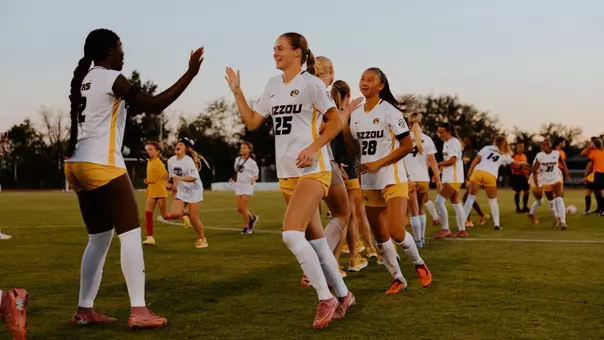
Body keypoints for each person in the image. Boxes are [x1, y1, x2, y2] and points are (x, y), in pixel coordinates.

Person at [64, 28, 203, 328]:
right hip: (102, 164)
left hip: (75, 165)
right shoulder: (108, 77)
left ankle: (84, 310)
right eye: (121, 47)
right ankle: (139, 310)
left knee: (99, 239)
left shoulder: (84, 79)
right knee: (130, 234)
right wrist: (190, 73)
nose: (124, 53)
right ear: (110, 50)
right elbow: (153, 105)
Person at [225, 32, 354, 329]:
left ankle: (326, 298)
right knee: (317, 242)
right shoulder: (272, 85)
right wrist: (237, 92)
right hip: (287, 175)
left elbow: (336, 121)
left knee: (290, 234)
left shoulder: (311, 83)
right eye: (273, 49)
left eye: (280, 48)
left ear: (298, 52)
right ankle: (345, 296)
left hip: (313, 170)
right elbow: (254, 121)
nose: (274, 53)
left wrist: (313, 147)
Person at [341, 67, 432, 293]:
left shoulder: (390, 112)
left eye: (370, 79)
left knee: (396, 232)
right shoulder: (357, 114)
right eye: (362, 78)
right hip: (369, 182)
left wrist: (379, 163)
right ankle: (398, 278)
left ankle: (419, 263)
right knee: (380, 235)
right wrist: (344, 124)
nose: (365, 82)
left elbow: (407, 146)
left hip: (393, 178)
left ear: (381, 85)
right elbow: (353, 149)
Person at [312, 56, 353, 277]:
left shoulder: (300, 89)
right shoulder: (321, 92)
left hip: (301, 162)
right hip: (320, 161)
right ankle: (321, 262)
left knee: (309, 221)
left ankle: (324, 268)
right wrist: (344, 113)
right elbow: (322, 128)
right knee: (342, 214)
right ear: (332, 70)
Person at [330, 79, 371, 272]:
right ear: (348, 95)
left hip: (332, 168)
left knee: (342, 215)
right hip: (349, 170)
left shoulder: (327, 113)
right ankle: (347, 259)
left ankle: (349, 257)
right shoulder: (349, 115)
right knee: (348, 216)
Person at [463, 136, 526, 230]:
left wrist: (470, 171)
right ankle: (496, 225)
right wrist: (525, 164)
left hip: (478, 172)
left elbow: (476, 160)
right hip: (490, 175)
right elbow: (516, 163)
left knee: (470, 198)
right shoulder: (505, 154)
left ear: (495, 142)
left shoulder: (486, 148)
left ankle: (462, 223)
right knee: (493, 201)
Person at [403, 112, 441, 247]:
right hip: (423, 179)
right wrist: (437, 178)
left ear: (408, 123)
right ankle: (422, 238)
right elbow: (432, 160)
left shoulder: (403, 138)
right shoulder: (427, 139)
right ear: (421, 123)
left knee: (413, 211)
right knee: (420, 209)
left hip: (409, 179)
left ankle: (418, 240)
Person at [166, 138, 208, 248]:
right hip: (182, 190)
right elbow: (173, 176)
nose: (177, 145)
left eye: (181, 144)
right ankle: (188, 213)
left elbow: (194, 178)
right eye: (177, 144)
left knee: (194, 218)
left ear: (186, 148)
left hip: (195, 190)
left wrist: (179, 178)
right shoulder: (171, 161)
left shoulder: (188, 160)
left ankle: (202, 239)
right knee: (175, 214)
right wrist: (174, 186)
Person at [434, 123, 467, 238]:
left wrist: (438, 164)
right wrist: (438, 173)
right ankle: (462, 230)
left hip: (453, 178)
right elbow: (447, 161)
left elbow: (452, 161)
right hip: (451, 177)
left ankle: (445, 229)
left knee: (439, 201)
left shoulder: (454, 142)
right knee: (456, 203)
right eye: (439, 132)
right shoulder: (446, 143)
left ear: (449, 132)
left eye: (442, 132)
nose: (440, 134)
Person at [528, 139, 570, 229]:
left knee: (559, 199)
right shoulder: (539, 156)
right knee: (550, 201)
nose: (544, 146)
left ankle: (563, 221)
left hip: (556, 179)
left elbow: (561, 160)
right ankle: (556, 217)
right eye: (543, 145)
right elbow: (534, 171)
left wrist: (565, 169)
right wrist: (526, 168)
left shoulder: (556, 153)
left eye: (547, 144)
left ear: (550, 145)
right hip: (545, 181)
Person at [142, 141, 171, 246]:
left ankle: (183, 216)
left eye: (151, 149)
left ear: (158, 151)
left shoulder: (158, 162)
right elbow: (154, 174)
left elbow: (165, 175)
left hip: (159, 190)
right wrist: (148, 179)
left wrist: (166, 184)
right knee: (148, 213)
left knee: (165, 216)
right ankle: (150, 238)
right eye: (147, 149)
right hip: (151, 189)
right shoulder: (149, 160)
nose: (148, 151)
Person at [232, 141, 260, 234]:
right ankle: (252, 217)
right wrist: (232, 178)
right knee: (239, 209)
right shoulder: (237, 159)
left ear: (249, 150)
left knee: (243, 207)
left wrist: (253, 179)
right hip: (239, 185)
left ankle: (246, 227)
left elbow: (256, 175)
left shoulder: (252, 163)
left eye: (244, 148)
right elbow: (237, 171)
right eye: (241, 147)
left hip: (247, 185)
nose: (242, 149)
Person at [461, 136, 488, 227]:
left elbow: (480, 166)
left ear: (471, 143)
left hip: (475, 178)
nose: (465, 143)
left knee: (466, 198)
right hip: (468, 178)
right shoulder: (464, 152)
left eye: (467, 141)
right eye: (464, 141)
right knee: (471, 199)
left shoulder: (475, 153)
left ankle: (468, 221)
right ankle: (482, 215)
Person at [582, 138, 604, 215]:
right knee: (600, 192)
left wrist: (585, 175)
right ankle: (601, 210)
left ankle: (591, 210)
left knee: (593, 192)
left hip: (596, 174)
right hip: (601, 174)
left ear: (594, 144)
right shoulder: (602, 152)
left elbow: (589, 165)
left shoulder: (594, 153)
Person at [511, 143, 531, 213]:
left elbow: (525, 166)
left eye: (522, 147)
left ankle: (525, 207)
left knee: (526, 191)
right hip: (517, 176)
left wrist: (528, 174)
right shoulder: (514, 156)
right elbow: (514, 166)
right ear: (517, 148)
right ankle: (517, 208)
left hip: (524, 176)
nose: (522, 148)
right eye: (520, 147)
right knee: (518, 192)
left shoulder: (524, 156)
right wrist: (521, 167)